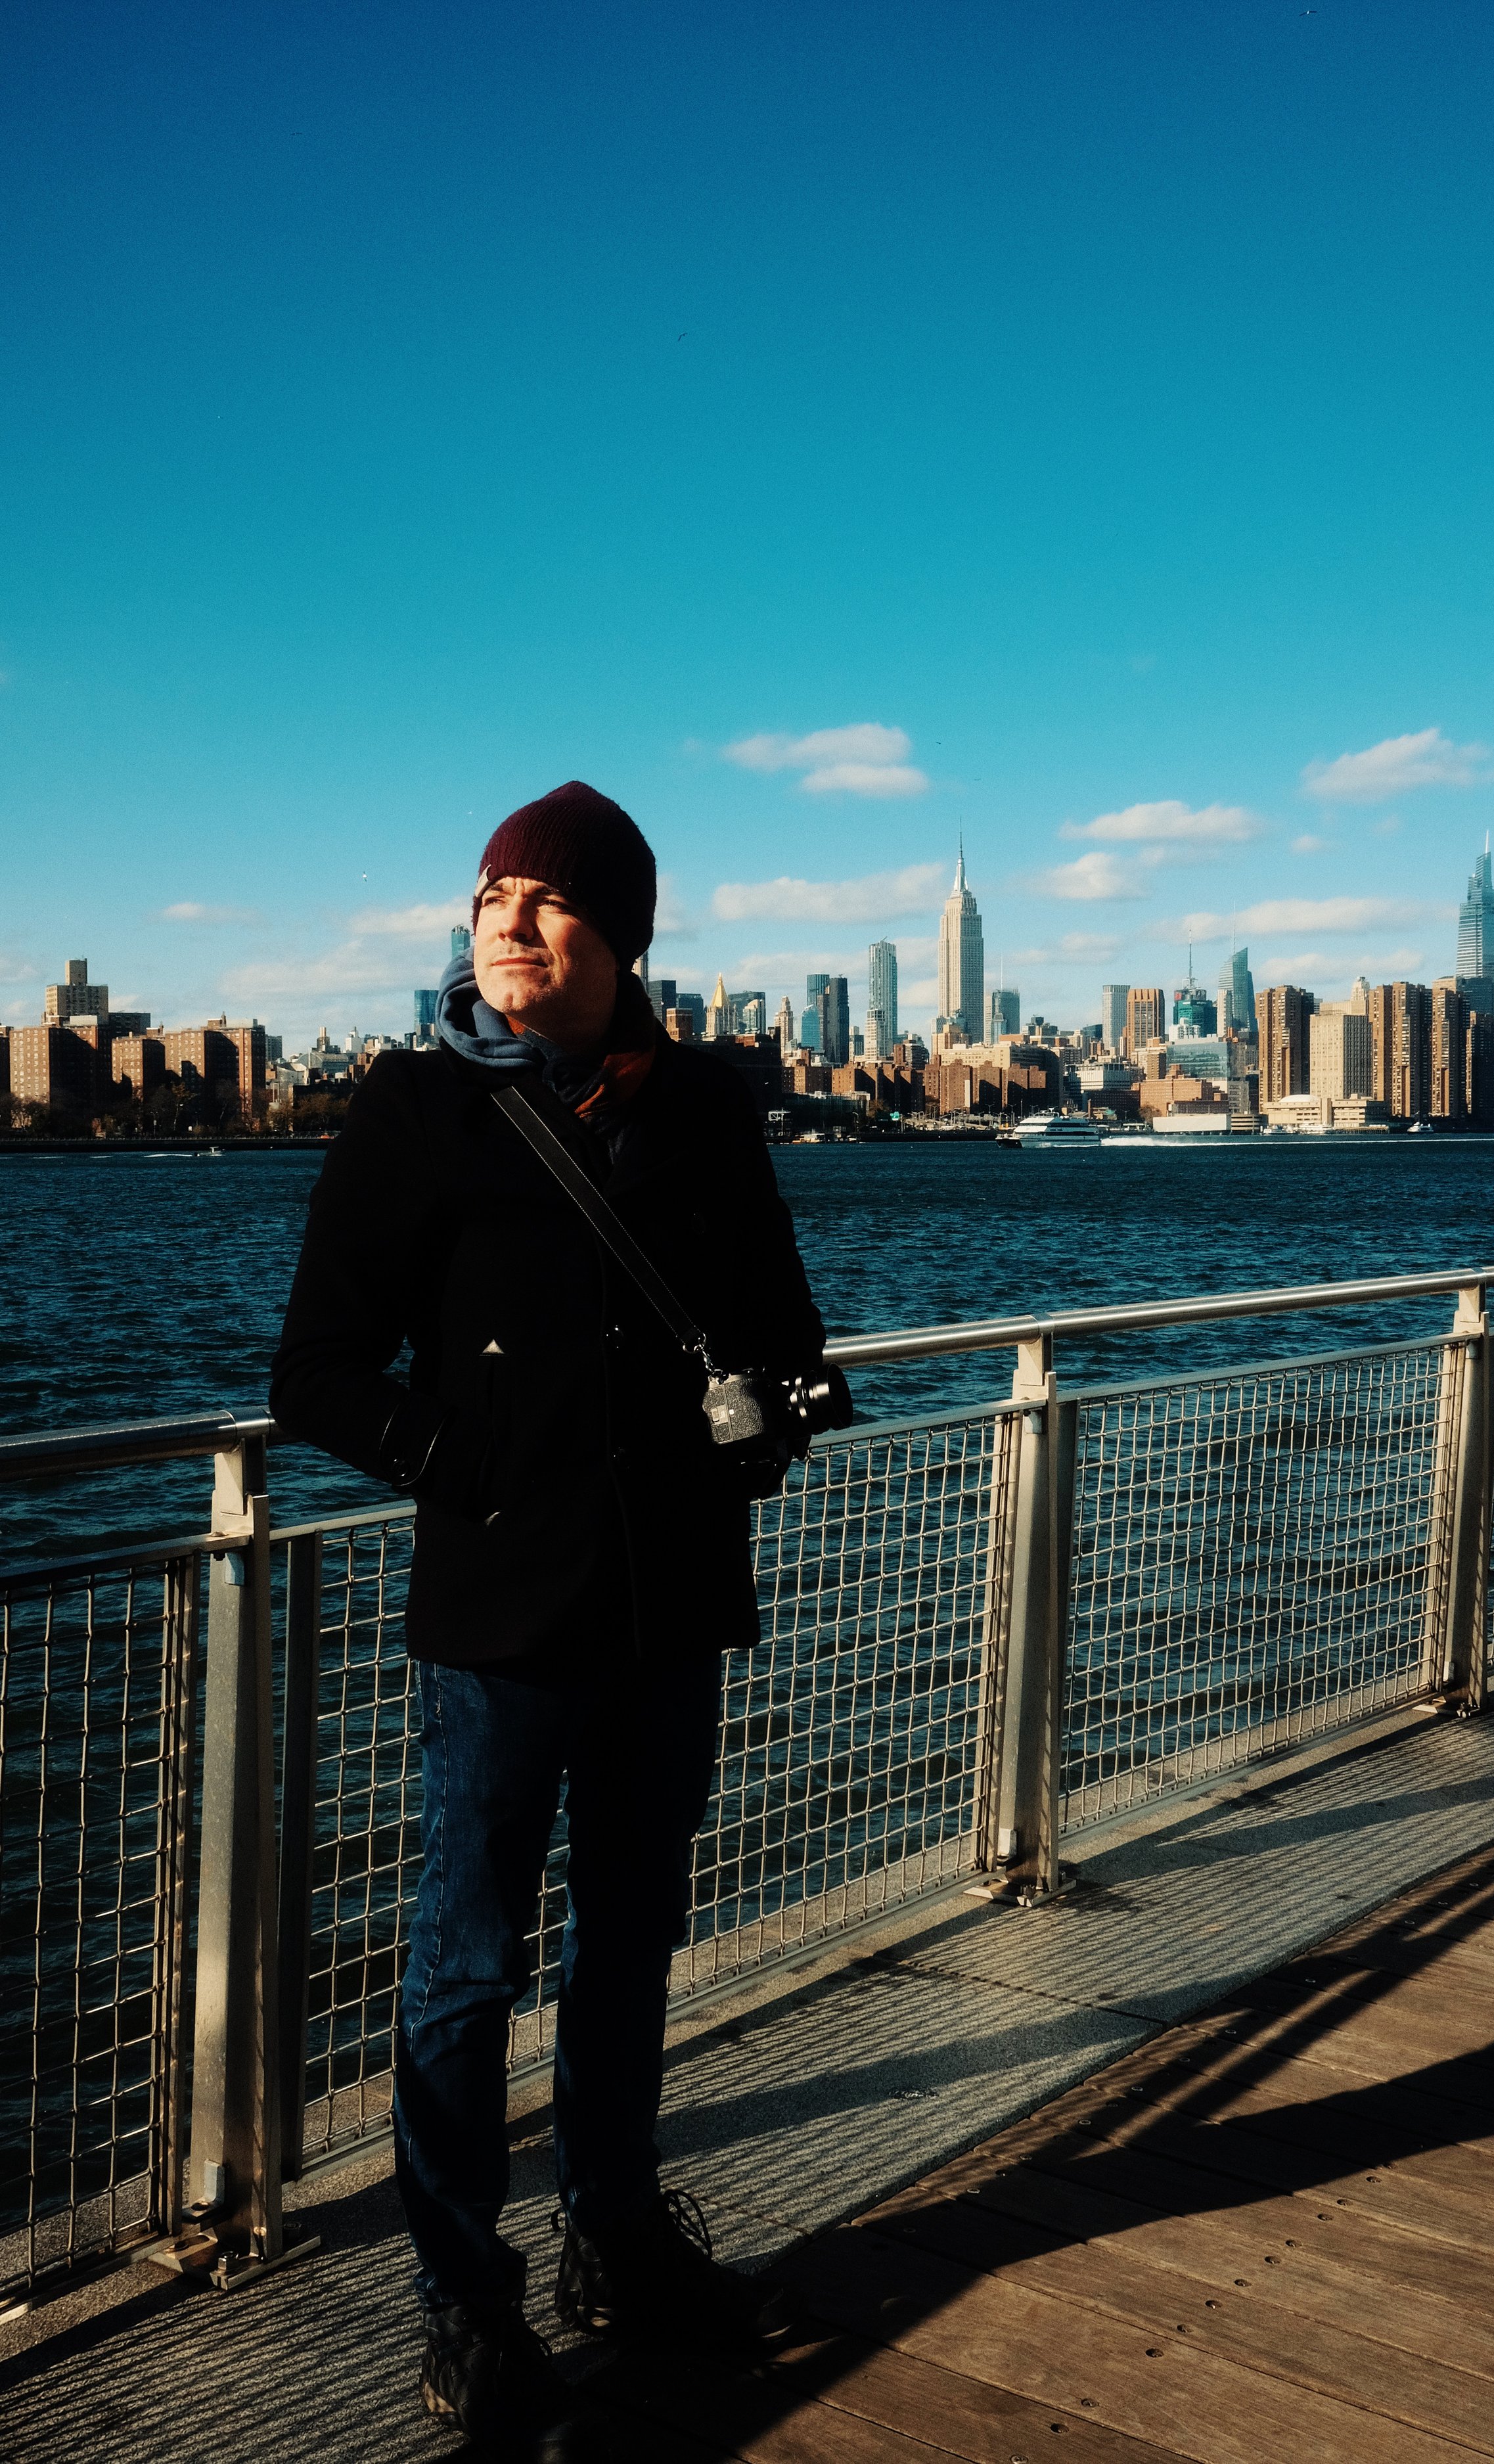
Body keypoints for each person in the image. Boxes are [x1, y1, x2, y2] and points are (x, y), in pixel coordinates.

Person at [270, 781, 828, 2461]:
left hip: (669, 1598)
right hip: (501, 1610)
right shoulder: (411, 1112)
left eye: (546, 902)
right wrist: (463, 1460)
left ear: (622, 937)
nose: (506, 925)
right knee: (462, 1963)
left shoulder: (710, 1108)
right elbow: (313, 1372)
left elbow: (779, 1323)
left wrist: (779, 1418)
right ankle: (465, 2295)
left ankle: (616, 2235)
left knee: (632, 1937)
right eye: (490, 897)